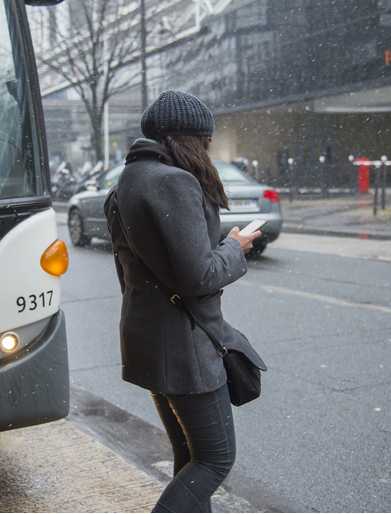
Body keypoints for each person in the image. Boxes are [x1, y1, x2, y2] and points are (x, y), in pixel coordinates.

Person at [103, 90, 261, 513]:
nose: (206, 151)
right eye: (205, 142)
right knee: (214, 459)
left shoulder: (127, 180)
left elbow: (127, 271)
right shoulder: (174, 181)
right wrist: (235, 247)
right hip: (184, 348)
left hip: (148, 339)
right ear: (189, 140)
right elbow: (200, 277)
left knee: (189, 459)